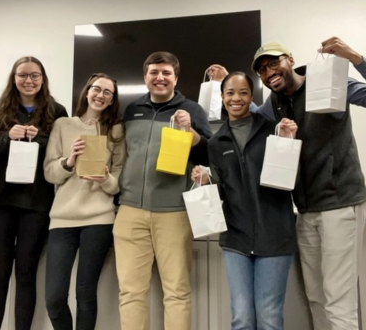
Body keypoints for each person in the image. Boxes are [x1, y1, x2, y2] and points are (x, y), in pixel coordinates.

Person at [207, 37, 366, 330]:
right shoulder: (276, 102)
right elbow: (247, 116)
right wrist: (231, 85)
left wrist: (356, 59)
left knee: (339, 299)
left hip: (339, 203)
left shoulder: (327, 80)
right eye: (262, 71)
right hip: (305, 209)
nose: (269, 73)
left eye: (274, 63)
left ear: (290, 60)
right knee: (316, 296)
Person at [192, 72, 298, 330]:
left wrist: (289, 140)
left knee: (269, 316)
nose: (236, 98)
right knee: (241, 317)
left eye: (242, 93)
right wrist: (207, 181)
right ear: (222, 97)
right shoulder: (217, 142)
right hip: (236, 239)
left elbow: (289, 177)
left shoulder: (273, 129)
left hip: (275, 236)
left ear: (251, 97)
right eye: (230, 93)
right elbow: (223, 190)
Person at [113, 51, 211, 330]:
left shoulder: (192, 110)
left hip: (175, 213)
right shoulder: (131, 110)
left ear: (175, 78)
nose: (160, 78)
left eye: (166, 73)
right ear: (145, 77)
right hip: (130, 211)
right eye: (154, 72)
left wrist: (190, 132)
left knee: (177, 292)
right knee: (130, 292)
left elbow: (210, 153)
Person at [0, 56, 68, 330]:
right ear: (14, 78)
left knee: (26, 274)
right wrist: (8, 137)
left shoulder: (57, 111)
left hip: (37, 204)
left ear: (43, 79)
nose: (28, 81)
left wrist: (38, 139)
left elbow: (60, 157)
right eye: (22, 75)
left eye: (34, 75)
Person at [43, 72, 126, 330]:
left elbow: (118, 182)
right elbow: (49, 173)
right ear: (87, 92)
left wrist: (104, 179)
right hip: (62, 220)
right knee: (54, 299)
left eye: (107, 93)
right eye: (96, 89)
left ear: (112, 100)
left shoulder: (116, 131)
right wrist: (68, 162)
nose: (100, 95)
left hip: (99, 219)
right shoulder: (63, 125)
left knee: (85, 295)